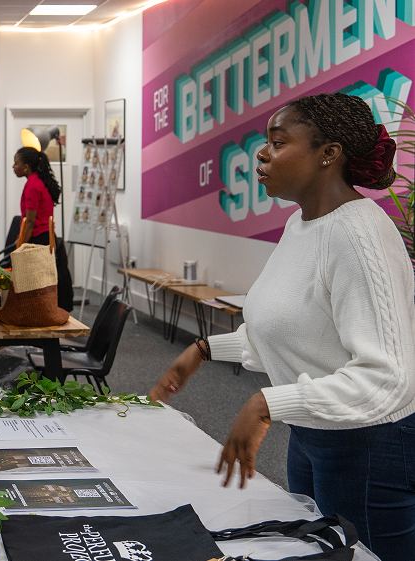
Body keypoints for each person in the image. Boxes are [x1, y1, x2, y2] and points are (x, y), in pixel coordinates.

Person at [150, 92, 415, 561]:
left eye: (277, 141)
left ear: (327, 154)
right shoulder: (302, 224)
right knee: (321, 550)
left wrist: (266, 402)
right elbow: (289, 329)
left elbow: (388, 379)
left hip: (371, 445)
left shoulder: (359, 235)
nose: (261, 153)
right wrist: (205, 348)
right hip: (314, 430)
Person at [12, 146, 73, 311]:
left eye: (16, 163)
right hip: (46, 236)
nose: (13, 167)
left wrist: (22, 246)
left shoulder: (32, 185)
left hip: (38, 239)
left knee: (36, 288)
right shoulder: (39, 180)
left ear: (26, 167)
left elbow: (30, 222)